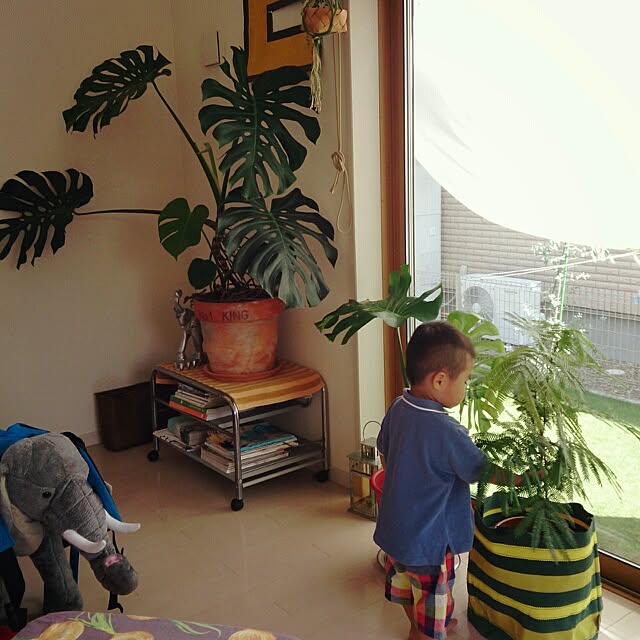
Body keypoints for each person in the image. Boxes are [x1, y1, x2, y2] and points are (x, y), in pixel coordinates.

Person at [373, 320, 531, 640]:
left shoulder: (398, 407)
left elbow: (385, 453)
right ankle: (426, 633)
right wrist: (521, 478)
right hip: (430, 544)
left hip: (395, 533)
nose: (466, 387)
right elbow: (483, 471)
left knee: (408, 591)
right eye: (466, 379)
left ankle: (418, 626)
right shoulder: (448, 433)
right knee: (432, 594)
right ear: (440, 380)